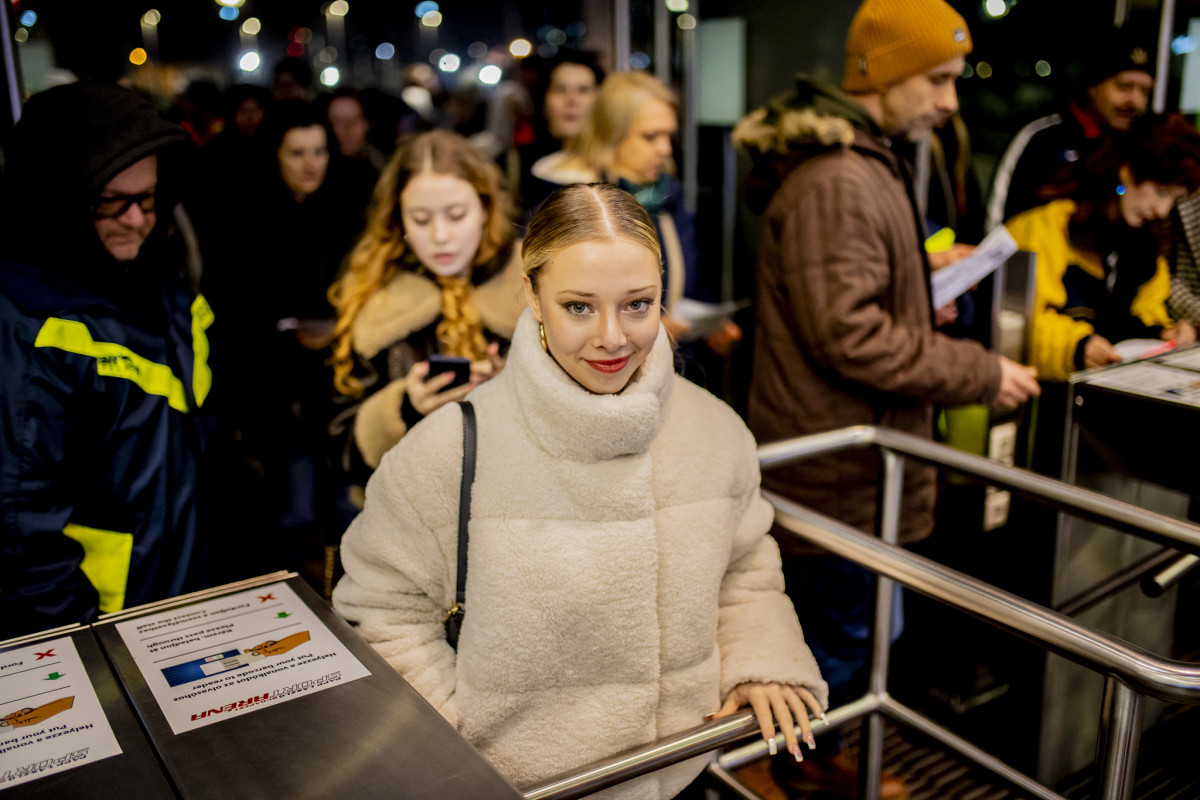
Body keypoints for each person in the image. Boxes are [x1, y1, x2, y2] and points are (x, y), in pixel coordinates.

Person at [333, 183, 828, 799]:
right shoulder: (449, 449)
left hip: (681, 772)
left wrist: (763, 660)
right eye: (579, 307)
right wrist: (459, 744)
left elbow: (744, 570)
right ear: (532, 296)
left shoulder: (715, 432)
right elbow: (380, 611)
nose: (613, 337)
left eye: (638, 305)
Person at [733, 0, 1040, 795]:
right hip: (841, 475)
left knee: (856, 633)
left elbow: (845, 302)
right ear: (882, 75)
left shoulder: (860, 160)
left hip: (851, 471)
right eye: (936, 79)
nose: (949, 101)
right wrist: (980, 371)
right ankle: (806, 777)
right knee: (839, 644)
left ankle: (815, 766)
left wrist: (921, 285)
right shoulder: (841, 176)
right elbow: (850, 337)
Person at [0, 83, 214, 637]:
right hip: (107, 630)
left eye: (149, 198)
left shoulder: (160, 283)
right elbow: (22, 536)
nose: (137, 220)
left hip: (175, 603)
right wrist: (88, 649)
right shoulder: (32, 328)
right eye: (111, 200)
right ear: (56, 200)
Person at [328, 129, 523, 486]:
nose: (440, 236)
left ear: (485, 208)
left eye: (456, 214)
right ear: (399, 220)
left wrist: (513, 389)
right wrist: (403, 408)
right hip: (406, 520)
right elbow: (338, 454)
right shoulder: (373, 297)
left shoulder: (532, 286)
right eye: (420, 219)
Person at [532, 71, 740, 354]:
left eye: (668, 135)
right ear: (611, 135)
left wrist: (707, 326)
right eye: (650, 137)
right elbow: (562, 309)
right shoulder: (571, 206)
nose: (665, 149)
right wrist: (648, 329)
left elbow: (689, 276)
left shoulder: (665, 195)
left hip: (674, 365)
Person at [1005, 112, 1200, 382]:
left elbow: (1144, 311)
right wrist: (1076, 347)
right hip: (1035, 393)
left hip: (1104, 389)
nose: (1162, 210)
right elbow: (1016, 324)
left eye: (1175, 199)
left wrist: (1163, 334)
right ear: (1128, 172)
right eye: (1161, 191)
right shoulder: (1047, 225)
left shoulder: (1145, 240)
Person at [986, 27, 1154, 231]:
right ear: (1093, 86)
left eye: (1144, 91)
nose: (1135, 101)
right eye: (1124, 86)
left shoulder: (1139, 145)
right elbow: (997, 219)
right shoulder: (1043, 137)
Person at [516, 50, 604, 210]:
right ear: (543, 99)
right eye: (560, 89)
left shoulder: (616, 167)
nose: (572, 100)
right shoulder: (516, 166)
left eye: (584, 90)